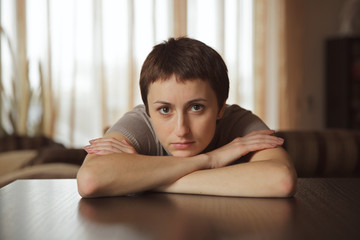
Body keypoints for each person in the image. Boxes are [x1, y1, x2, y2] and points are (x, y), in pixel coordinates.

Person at [77, 37, 297, 198]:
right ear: (148, 111)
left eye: (196, 108)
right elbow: (90, 180)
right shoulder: (140, 121)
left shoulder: (239, 123)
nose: (181, 129)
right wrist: (211, 160)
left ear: (220, 108)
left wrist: (143, 180)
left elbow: (281, 180)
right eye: (164, 110)